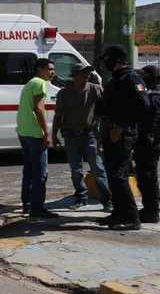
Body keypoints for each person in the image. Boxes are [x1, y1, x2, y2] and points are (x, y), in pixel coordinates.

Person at [97, 46, 150, 231]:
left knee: (119, 175)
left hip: (122, 133)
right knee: (113, 174)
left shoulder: (131, 77)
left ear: (117, 60)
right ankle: (119, 212)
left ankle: (131, 217)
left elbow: (143, 104)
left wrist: (121, 127)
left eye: (107, 60)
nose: (105, 64)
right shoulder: (116, 79)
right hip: (110, 132)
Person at [52, 63, 112, 211]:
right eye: (83, 73)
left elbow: (105, 113)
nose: (86, 76)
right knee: (76, 169)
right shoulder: (64, 93)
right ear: (74, 76)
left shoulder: (95, 90)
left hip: (90, 135)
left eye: (88, 73)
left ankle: (106, 200)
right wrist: (53, 135)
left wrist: (104, 135)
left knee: (98, 168)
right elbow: (58, 116)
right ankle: (81, 197)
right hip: (71, 135)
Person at [17, 57, 58, 219]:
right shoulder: (39, 83)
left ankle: (27, 205)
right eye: (49, 69)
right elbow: (39, 109)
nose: (52, 72)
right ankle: (37, 209)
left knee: (28, 170)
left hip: (24, 132)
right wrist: (46, 133)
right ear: (40, 69)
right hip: (34, 134)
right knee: (41, 173)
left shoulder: (30, 83)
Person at [134, 65, 160, 224]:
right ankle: (150, 208)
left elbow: (154, 120)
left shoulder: (154, 96)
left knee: (147, 176)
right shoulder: (150, 92)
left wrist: (151, 137)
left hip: (149, 142)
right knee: (146, 176)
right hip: (148, 140)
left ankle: (151, 211)